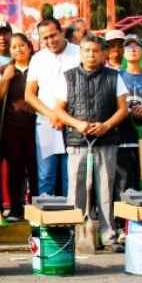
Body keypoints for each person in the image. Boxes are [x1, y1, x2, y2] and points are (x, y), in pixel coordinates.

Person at [58, 35, 128, 249]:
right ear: (80, 53)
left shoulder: (115, 77)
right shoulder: (68, 77)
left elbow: (123, 109)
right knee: (76, 190)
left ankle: (109, 237)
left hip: (106, 141)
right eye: (87, 50)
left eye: (96, 51)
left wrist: (106, 125)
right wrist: (77, 124)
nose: (91, 55)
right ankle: (73, 234)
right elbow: (59, 110)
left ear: (103, 54)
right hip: (77, 141)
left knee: (106, 190)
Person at [25, 17, 79, 197]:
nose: (50, 41)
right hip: (47, 122)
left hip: (73, 122)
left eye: (53, 35)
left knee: (70, 176)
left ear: (62, 32)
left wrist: (63, 116)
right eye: (45, 38)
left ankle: (70, 222)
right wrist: (52, 115)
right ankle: (45, 223)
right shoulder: (38, 59)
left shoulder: (78, 53)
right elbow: (29, 95)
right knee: (46, 175)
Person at [0, 32, 37, 219]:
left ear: (29, 47)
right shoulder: (3, 70)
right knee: (15, 169)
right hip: (12, 129)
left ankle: (35, 207)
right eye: (14, 47)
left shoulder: (39, 67)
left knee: (35, 169)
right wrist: (5, 79)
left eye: (21, 45)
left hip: (36, 128)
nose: (18, 49)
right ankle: (16, 208)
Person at [114, 37, 142, 205]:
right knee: (123, 181)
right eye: (128, 47)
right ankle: (124, 222)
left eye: (137, 46)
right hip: (122, 138)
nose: (133, 49)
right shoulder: (116, 77)